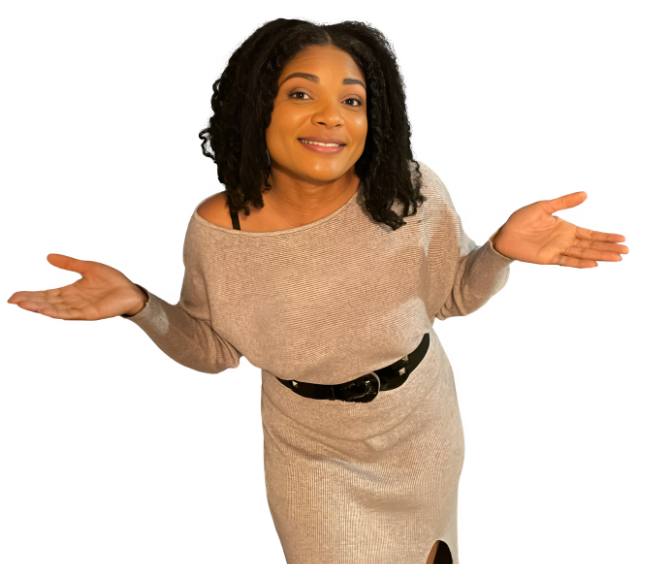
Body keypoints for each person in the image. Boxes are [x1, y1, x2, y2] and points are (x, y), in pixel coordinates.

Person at [7, 18, 628, 564]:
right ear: (259, 107)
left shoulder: (407, 191)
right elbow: (214, 350)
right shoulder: (220, 229)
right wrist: (140, 306)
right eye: (301, 93)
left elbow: (454, 297)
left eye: (352, 100)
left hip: (422, 422)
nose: (331, 116)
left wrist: (498, 251)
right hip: (310, 450)